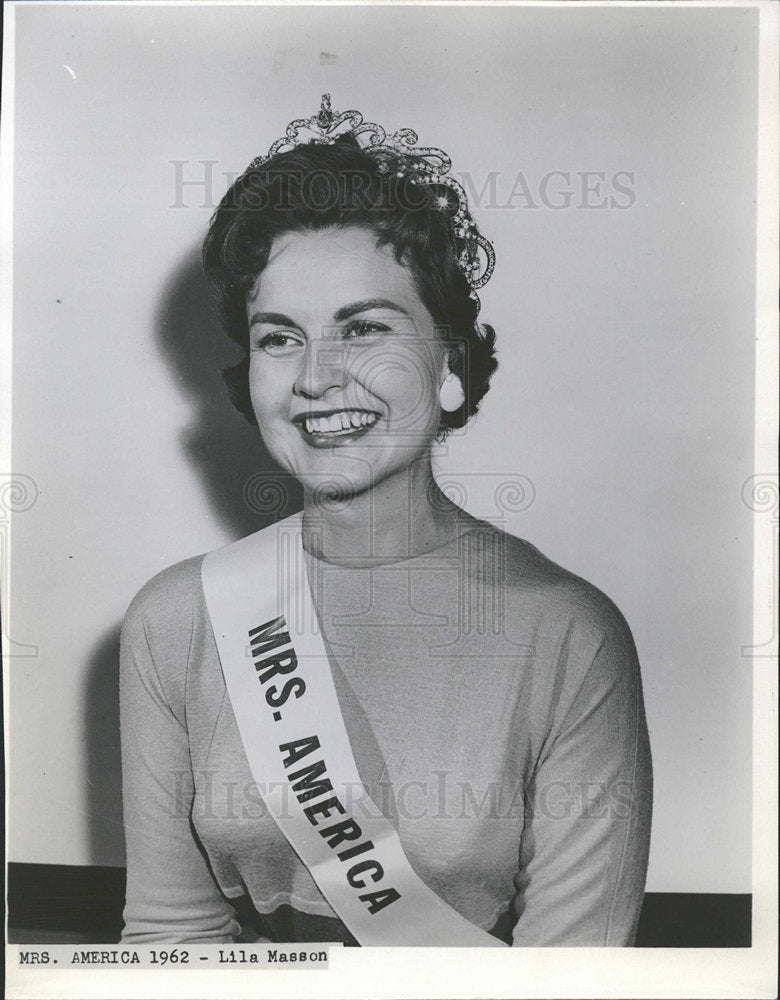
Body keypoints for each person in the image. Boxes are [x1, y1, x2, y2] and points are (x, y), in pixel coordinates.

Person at [120, 95, 652, 946]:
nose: (317, 377)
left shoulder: (567, 635)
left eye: (364, 328)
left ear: (449, 363)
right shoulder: (175, 620)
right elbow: (168, 942)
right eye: (279, 337)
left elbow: (573, 981)